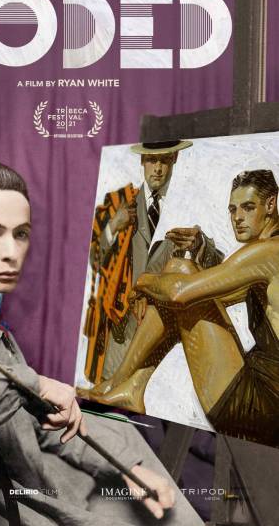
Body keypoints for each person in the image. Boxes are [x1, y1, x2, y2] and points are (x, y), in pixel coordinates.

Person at [0, 162, 204, 525]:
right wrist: (35, 383)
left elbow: (33, 427)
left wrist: (127, 465)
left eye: (21, 234)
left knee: (126, 439)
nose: (11, 251)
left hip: (31, 486)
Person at [88, 170, 279, 447]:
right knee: (181, 282)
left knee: (179, 273)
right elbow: (215, 296)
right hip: (266, 404)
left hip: (260, 409)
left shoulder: (268, 253)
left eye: (248, 207)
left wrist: (142, 282)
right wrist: (198, 250)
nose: (237, 217)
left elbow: (179, 293)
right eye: (232, 210)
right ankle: (128, 385)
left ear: (271, 204)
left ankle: (120, 383)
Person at [83, 139, 223, 387]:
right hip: (120, 329)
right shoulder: (120, 202)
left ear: (175, 160)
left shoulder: (191, 206)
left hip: (162, 336)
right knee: (106, 392)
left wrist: (200, 244)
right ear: (142, 161)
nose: (158, 168)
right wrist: (113, 226)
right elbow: (92, 260)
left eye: (165, 160)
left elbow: (219, 267)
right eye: (151, 160)